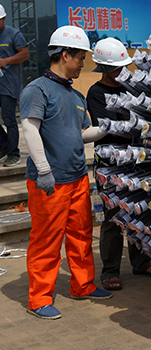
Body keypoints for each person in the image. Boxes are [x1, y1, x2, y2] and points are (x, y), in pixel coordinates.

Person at [21, 25, 113, 320]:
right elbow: (30, 129)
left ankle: (83, 285)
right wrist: (45, 170)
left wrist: (111, 128)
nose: (83, 64)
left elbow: (81, 133)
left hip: (76, 178)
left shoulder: (74, 95)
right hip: (50, 182)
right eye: (81, 58)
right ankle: (39, 298)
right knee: (46, 241)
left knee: (81, 235)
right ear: (65, 54)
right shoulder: (37, 90)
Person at [87, 38, 151, 292]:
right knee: (112, 218)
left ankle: (141, 261)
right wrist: (138, 126)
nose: (122, 72)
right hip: (111, 166)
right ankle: (110, 270)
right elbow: (108, 127)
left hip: (137, 160)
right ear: (104, 67)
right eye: (117, 67)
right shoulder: (96, 93)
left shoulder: (130, 89)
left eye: (124, 66)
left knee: (138, 213)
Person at [0, 4, 29, 167]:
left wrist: (6, 60)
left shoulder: (13, 34)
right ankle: (4, 146)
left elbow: (25, 54)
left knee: (9, 119)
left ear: (3, 19)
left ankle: (13, 153)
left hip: (9, 85)